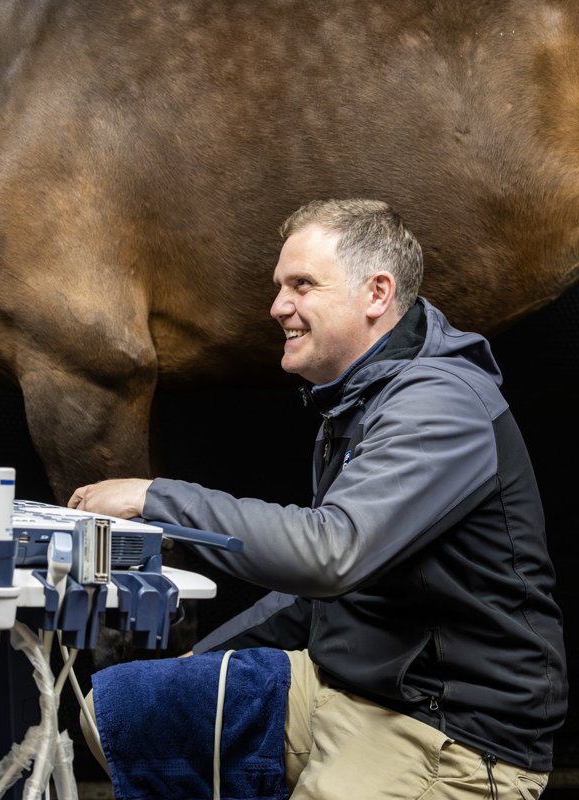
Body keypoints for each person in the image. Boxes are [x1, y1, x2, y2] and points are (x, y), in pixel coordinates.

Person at [68, 198, 568, 799]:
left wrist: (155, 496)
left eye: (301, 285)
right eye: (280, 286)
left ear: (377, 294)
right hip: (339, 685)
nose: (278, 306)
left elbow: (330, 554)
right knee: (125, 716)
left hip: (443, 728)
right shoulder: (358, 400)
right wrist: (202, 657)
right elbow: (321, 596)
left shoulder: (441, 405)